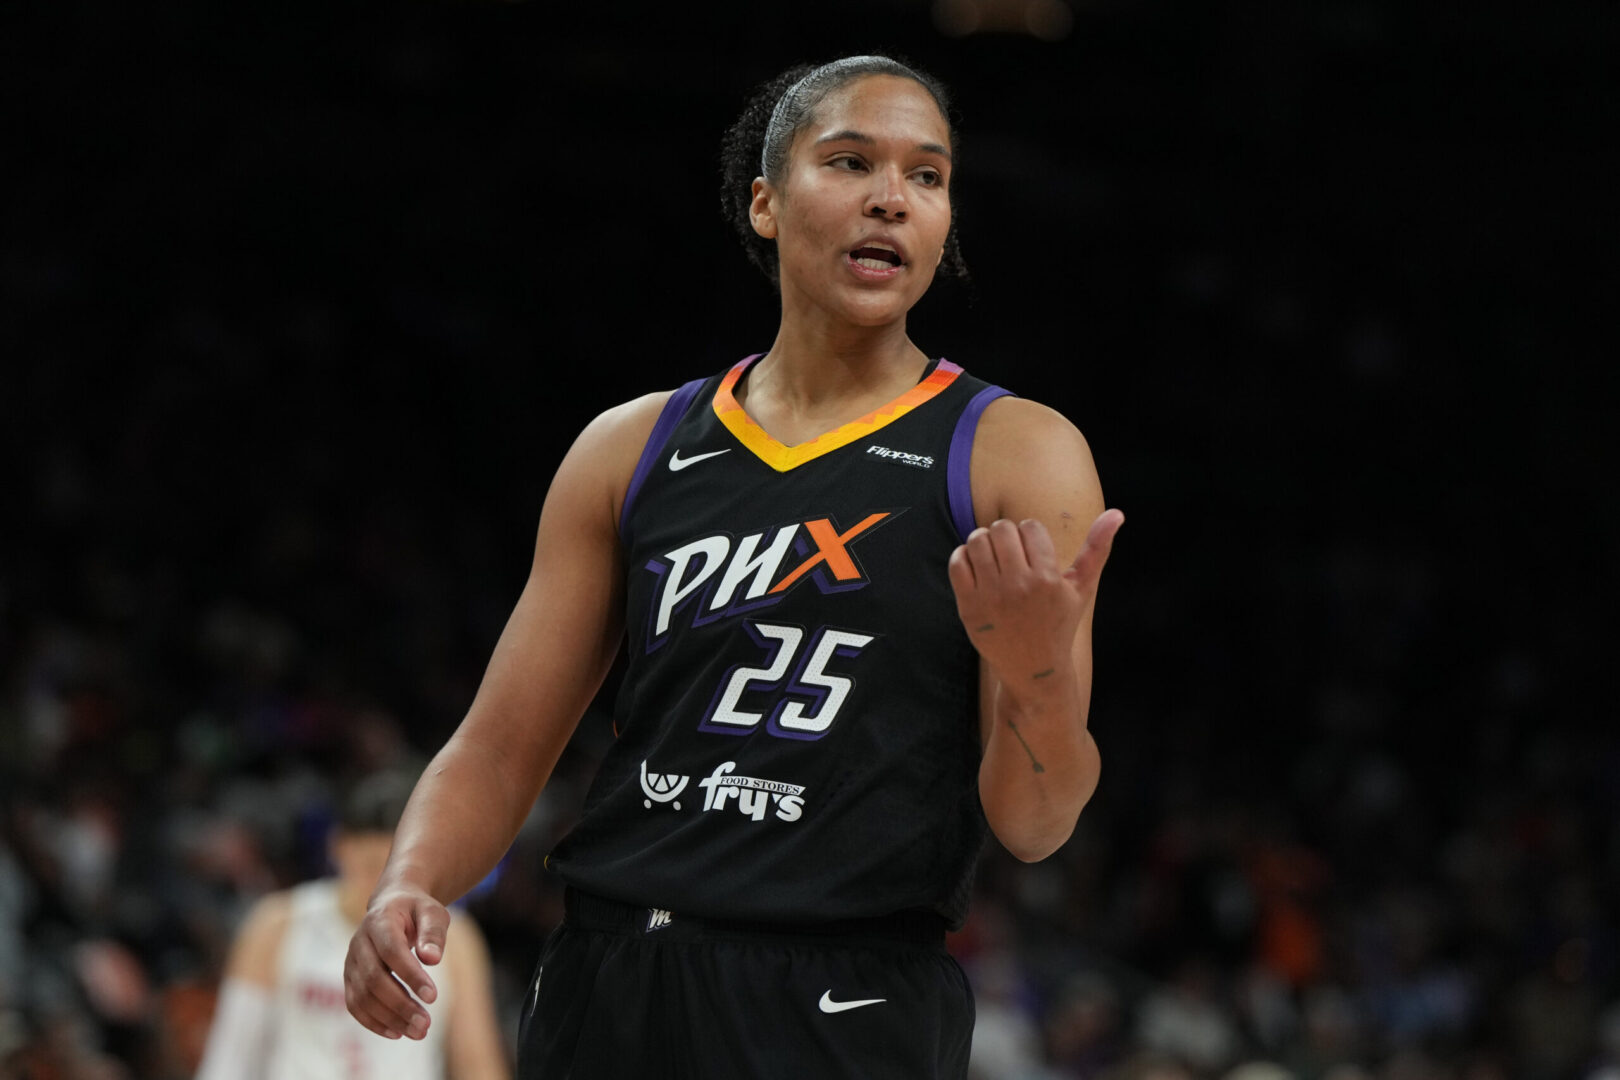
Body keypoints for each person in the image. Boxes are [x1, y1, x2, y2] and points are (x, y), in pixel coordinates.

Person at [343, 54, 1124, 1079]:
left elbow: (1034, 825)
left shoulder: (1017, 451)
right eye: (850, 162)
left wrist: (1035, 674)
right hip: (609, 976)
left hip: (846, 990)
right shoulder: (632, 447)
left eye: (927, 177)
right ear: (764, 202)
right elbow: (496, 750)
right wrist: (412, 880)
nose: (892, 199)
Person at [196, 772, 509, 1080]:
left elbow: (477, 1065)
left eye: (397, 867)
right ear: (339, 847)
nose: (384, 883)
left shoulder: (453, 937)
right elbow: (230, 1058)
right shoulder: (278, 923)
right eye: (372, 865)